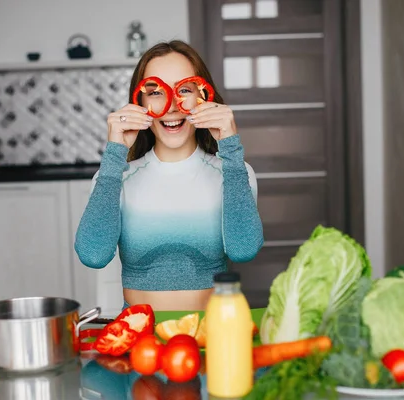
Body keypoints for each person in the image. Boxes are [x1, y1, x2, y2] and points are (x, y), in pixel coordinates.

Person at [74, 40, 263, 311]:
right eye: (155, 92)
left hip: (212, 333)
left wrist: (231, 148)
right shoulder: (117, 178)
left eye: (184, 89)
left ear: (204, 98)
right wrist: (115, 154)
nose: (172, 105)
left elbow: (243, 250)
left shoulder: (234, 172)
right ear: (139, 102)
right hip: (140, 338)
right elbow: (93, 255)